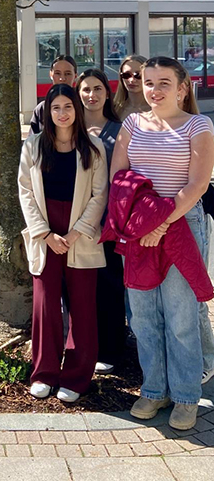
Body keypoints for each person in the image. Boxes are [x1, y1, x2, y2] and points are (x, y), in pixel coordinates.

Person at [110, 56, 214, 431]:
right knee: (143, 315)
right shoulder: (132, 124)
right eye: (148, 82)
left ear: (182, 88)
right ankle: (154, 390)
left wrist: (162, 222)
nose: (154, 89)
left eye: (164, 83)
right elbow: (119, 176)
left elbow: (197, 184)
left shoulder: (199, 125)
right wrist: (144, 224)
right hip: (139, 226)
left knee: (181, 315)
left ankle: (186, 396)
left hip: (182, 224)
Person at [18, 84, 107, 403]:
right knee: (45, 306)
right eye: (55, 107)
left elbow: (100, 194)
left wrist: (75, 233)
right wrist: (45, 234)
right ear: (48, 112)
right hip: (46, 235)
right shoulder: (33, 145)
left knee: (82, 307)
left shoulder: (93, 147)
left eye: (68, 106)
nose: (62, 113)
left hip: (79, 234)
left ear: (76, 110)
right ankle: (44, 372)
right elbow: (25, 191)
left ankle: (77, 376)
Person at [76, 68, 124, 373]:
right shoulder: (69, 126)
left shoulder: (120, 130)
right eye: (85, 89)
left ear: (107, 93)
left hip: (108, 223)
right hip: (73, 222)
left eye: (97, 89)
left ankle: (111, 348)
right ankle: (80, 346)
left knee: (109, 286)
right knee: (77, 289)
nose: (91, 95)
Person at [30, 55, 77, 134]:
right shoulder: (41, 109)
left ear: (75, 76)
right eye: (57, 73)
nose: (62, 78)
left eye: (68, 74)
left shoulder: (83, 106)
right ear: (51, 75)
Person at [113, 54, 149, 121]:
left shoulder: (156, 109)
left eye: (138, 75)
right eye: (126, 75)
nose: (132, 80)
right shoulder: (114, 109)